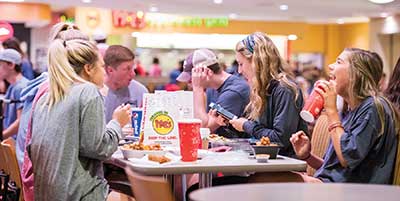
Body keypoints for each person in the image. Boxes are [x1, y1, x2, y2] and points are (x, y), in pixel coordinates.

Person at [28, 36, 131, 200]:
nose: (104, 72)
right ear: (88, 68)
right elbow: (99, 149)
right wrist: (117, 122)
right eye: (102, 66)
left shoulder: (47, 97)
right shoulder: (87, 91)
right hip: (79, 194)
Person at [290, 48, 399, 184]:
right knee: (262, 178)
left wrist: (331, 110)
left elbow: (346, 158)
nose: (330, 66)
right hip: (334, 185)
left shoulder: (373, 107)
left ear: (355, 74)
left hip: (355, 193)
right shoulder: (352, 110)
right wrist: (307, 156)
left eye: (339, 62)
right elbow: (336, 169)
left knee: (264, 179)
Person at [230, 32, 307, 157]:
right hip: (268, 161)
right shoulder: (263, 89)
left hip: (284, 165)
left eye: (241, 64)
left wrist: (246, 125)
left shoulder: (284, 90)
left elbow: (280, 140)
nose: (239, 71)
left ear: (256, 62)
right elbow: (258, 132)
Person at [177, 49, 250, 135]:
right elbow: (205, 119)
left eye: (192, 78)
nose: (189, 83)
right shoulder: (212, 88)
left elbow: (202, 129)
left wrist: (198, 88)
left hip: (236, 147)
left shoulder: (234, 92)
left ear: (208, 72)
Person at [103, 45, 148, 122]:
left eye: (133, 68)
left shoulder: (141, 92)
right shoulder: (95, 93)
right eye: (127, 69)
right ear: (110, 70)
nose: (133, 74)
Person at [0, 48, 30, 139]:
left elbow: (21, 121)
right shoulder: (13, 87)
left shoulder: (21, 87)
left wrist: (2, 136)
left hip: (16, 144)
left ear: (11, 65)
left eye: (0, 65)